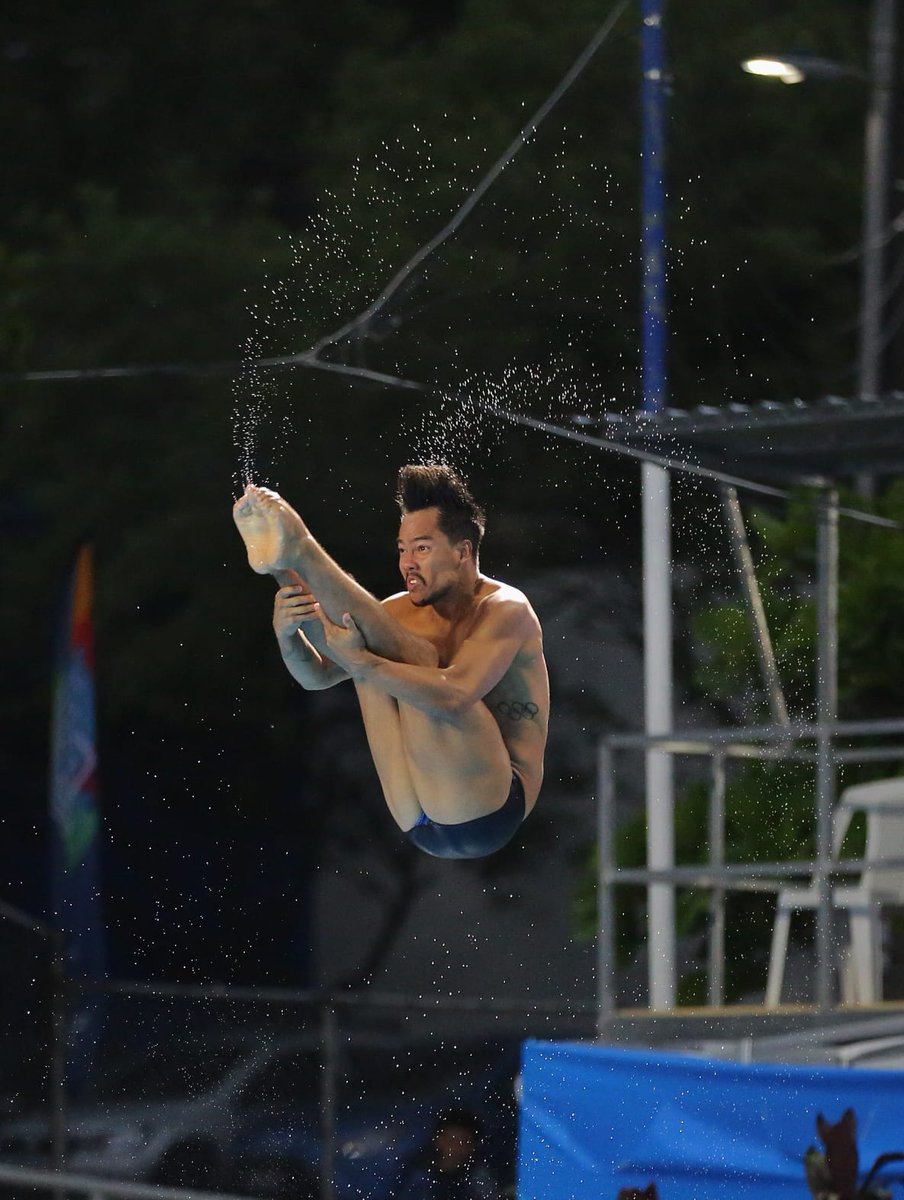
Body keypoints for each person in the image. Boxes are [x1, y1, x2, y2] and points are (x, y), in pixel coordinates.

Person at [232, 464, 548, 858]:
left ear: (463, 552)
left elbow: (454, 697)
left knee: (411, 660)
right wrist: (288, 635)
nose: (407, 564)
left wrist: (366, 665)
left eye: (422, 548)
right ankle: (283, 565)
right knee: (368, 649)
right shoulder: (395, 616)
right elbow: (316, 675)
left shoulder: (505, 609)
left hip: (491, 807)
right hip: (415, 817)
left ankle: (301, 548)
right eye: (402, 550)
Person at [397, 1108, 501, 1200]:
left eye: (463, 1142)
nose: (456, 1148)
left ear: (473, 1146)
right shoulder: (419, 1176)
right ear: (438, 1140)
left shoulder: (480, 1180)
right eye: (450, 1141)